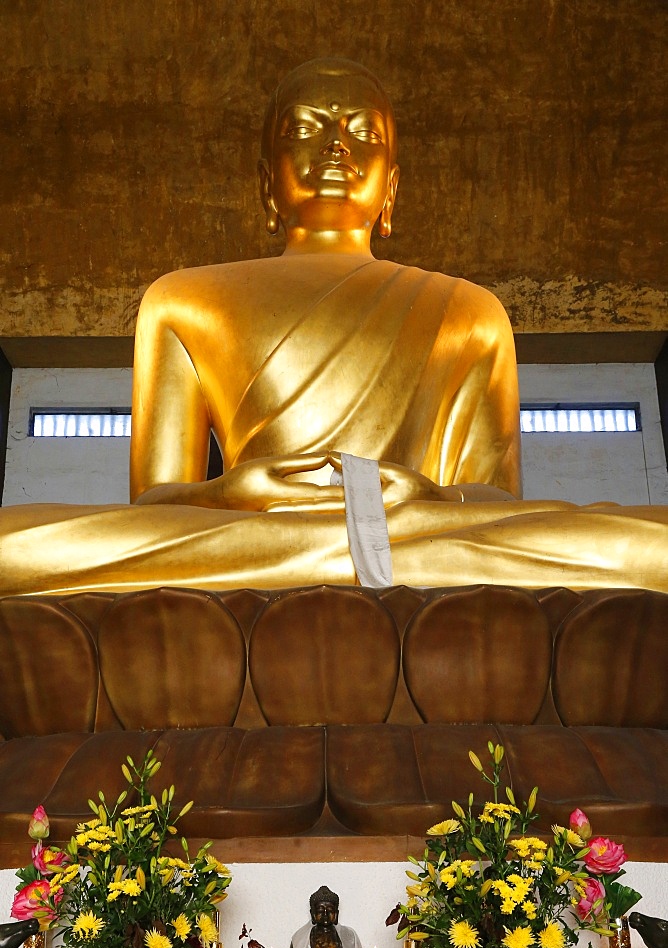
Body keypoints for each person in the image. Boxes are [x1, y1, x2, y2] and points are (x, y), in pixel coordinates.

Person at [0, 57, 666, 596]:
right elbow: (152, 509)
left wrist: (433, 494)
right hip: (252, 533)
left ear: (392, 191)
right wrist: (227, 495)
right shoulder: (185, 299)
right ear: (266, 187)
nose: (337, 146)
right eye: (307, 128)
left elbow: (490, 500)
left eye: (362, 131)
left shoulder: (468, 309)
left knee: (649, 544)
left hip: (410, 532)